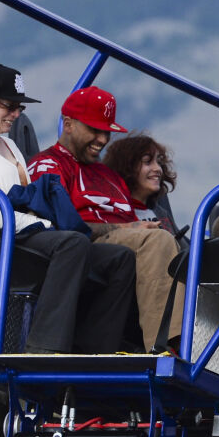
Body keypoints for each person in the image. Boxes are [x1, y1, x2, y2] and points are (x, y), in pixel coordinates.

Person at [0, 64, 135, 354]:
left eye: (19, 107)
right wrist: (40, 224)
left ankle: (96, 350)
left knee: (119, 259)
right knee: (71, 244)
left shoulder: (8, 145)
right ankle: (44, 346)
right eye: (9, 106)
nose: (16, 114)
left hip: (21, 231)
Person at [27, 87, 182, 351]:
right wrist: (127, 227)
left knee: (191, 254)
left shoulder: (109, 175)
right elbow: (59, 226)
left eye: (106, 131)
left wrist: (136, 226)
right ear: (68, 125)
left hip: (126, 245)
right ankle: (166, 347)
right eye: (94, 130)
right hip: (85, 245)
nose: (102, 139)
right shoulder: (50, 165)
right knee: (158, 242)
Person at [102, 133, 178, 230]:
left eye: (159, 162)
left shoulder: (161, 213)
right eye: (147, 161)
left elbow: (183, 245)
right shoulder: (107, 216)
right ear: (126, 167)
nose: (158, 168)